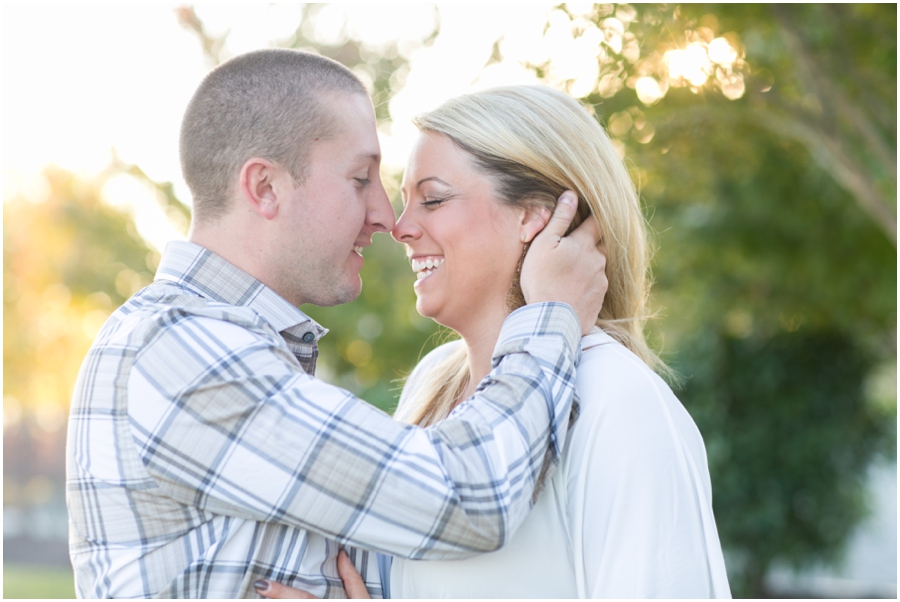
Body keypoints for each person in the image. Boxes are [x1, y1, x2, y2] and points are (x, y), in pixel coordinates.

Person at [65, 50, 608, 598]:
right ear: (266, 188)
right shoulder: (184, 349)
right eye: (359, 179)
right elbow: (471, 498)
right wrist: (550, 318)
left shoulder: (228, 349)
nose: (386, 218)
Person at [260, 85, 731, 599]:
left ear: (534, 216)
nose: (399, 228)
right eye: (405, 202)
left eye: (434, 198)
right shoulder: (433, 388)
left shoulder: (617, 402)